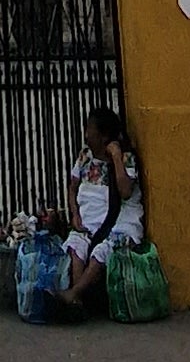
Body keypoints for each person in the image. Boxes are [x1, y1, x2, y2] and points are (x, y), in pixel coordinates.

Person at [51, 108, 144, 321]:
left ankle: (72, 294)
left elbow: (125, 192)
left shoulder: (125, 157)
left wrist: (116, 158)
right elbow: (72, 187)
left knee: (101, 251)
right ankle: (77, 303)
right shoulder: (85, 156)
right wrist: (75, 215)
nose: (86, 135)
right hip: (90, 222)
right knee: (77, 246)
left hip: (120, 222)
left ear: (103, 136)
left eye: (89, 130)